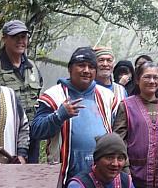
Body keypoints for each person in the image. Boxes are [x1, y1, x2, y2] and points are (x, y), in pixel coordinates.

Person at [31, 47, 118, 180]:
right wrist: (59, 116)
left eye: (91, 67)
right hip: (63, 176)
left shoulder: (108, 97)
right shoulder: (53, 95)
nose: (86, 70)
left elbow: (118, 134)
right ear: (70, 69)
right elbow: (36, 131)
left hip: (100, 175)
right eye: (81, 65)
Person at [0, 20, 44, 163]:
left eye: (24, 37)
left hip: (32, 135)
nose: (21, 41)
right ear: (4, 39)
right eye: (16, 37)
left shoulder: (32, 67)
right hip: (6, 134)